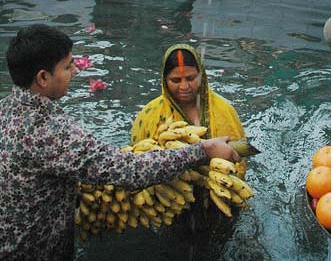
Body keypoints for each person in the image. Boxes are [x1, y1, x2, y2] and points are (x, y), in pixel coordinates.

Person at [0, 25, 240, 261]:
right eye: (67, 65)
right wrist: (203, 149)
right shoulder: (49, 131)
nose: (75, 71)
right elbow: (129, 170)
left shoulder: (5, 110)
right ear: (43, 77)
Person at [132, 44, 245, 144]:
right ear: (164, 81)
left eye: (191, 78)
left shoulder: (224, 111)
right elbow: (136, 158)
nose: (184, 86)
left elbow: (239, 156)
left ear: (202, 76)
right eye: (176, 80)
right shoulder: (149, 116)